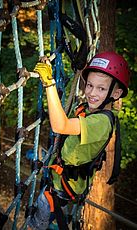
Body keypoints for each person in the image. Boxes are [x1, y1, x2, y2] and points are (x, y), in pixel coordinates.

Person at [27, 51, 130, 229]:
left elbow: (61, 125)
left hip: (63, 185)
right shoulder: (91, 110)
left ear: (116, 93)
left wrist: (49, 84)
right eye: (89, 85)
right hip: (61, 177)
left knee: (39, 216)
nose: (91, 93)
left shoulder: (101, 122)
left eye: (101, 88)